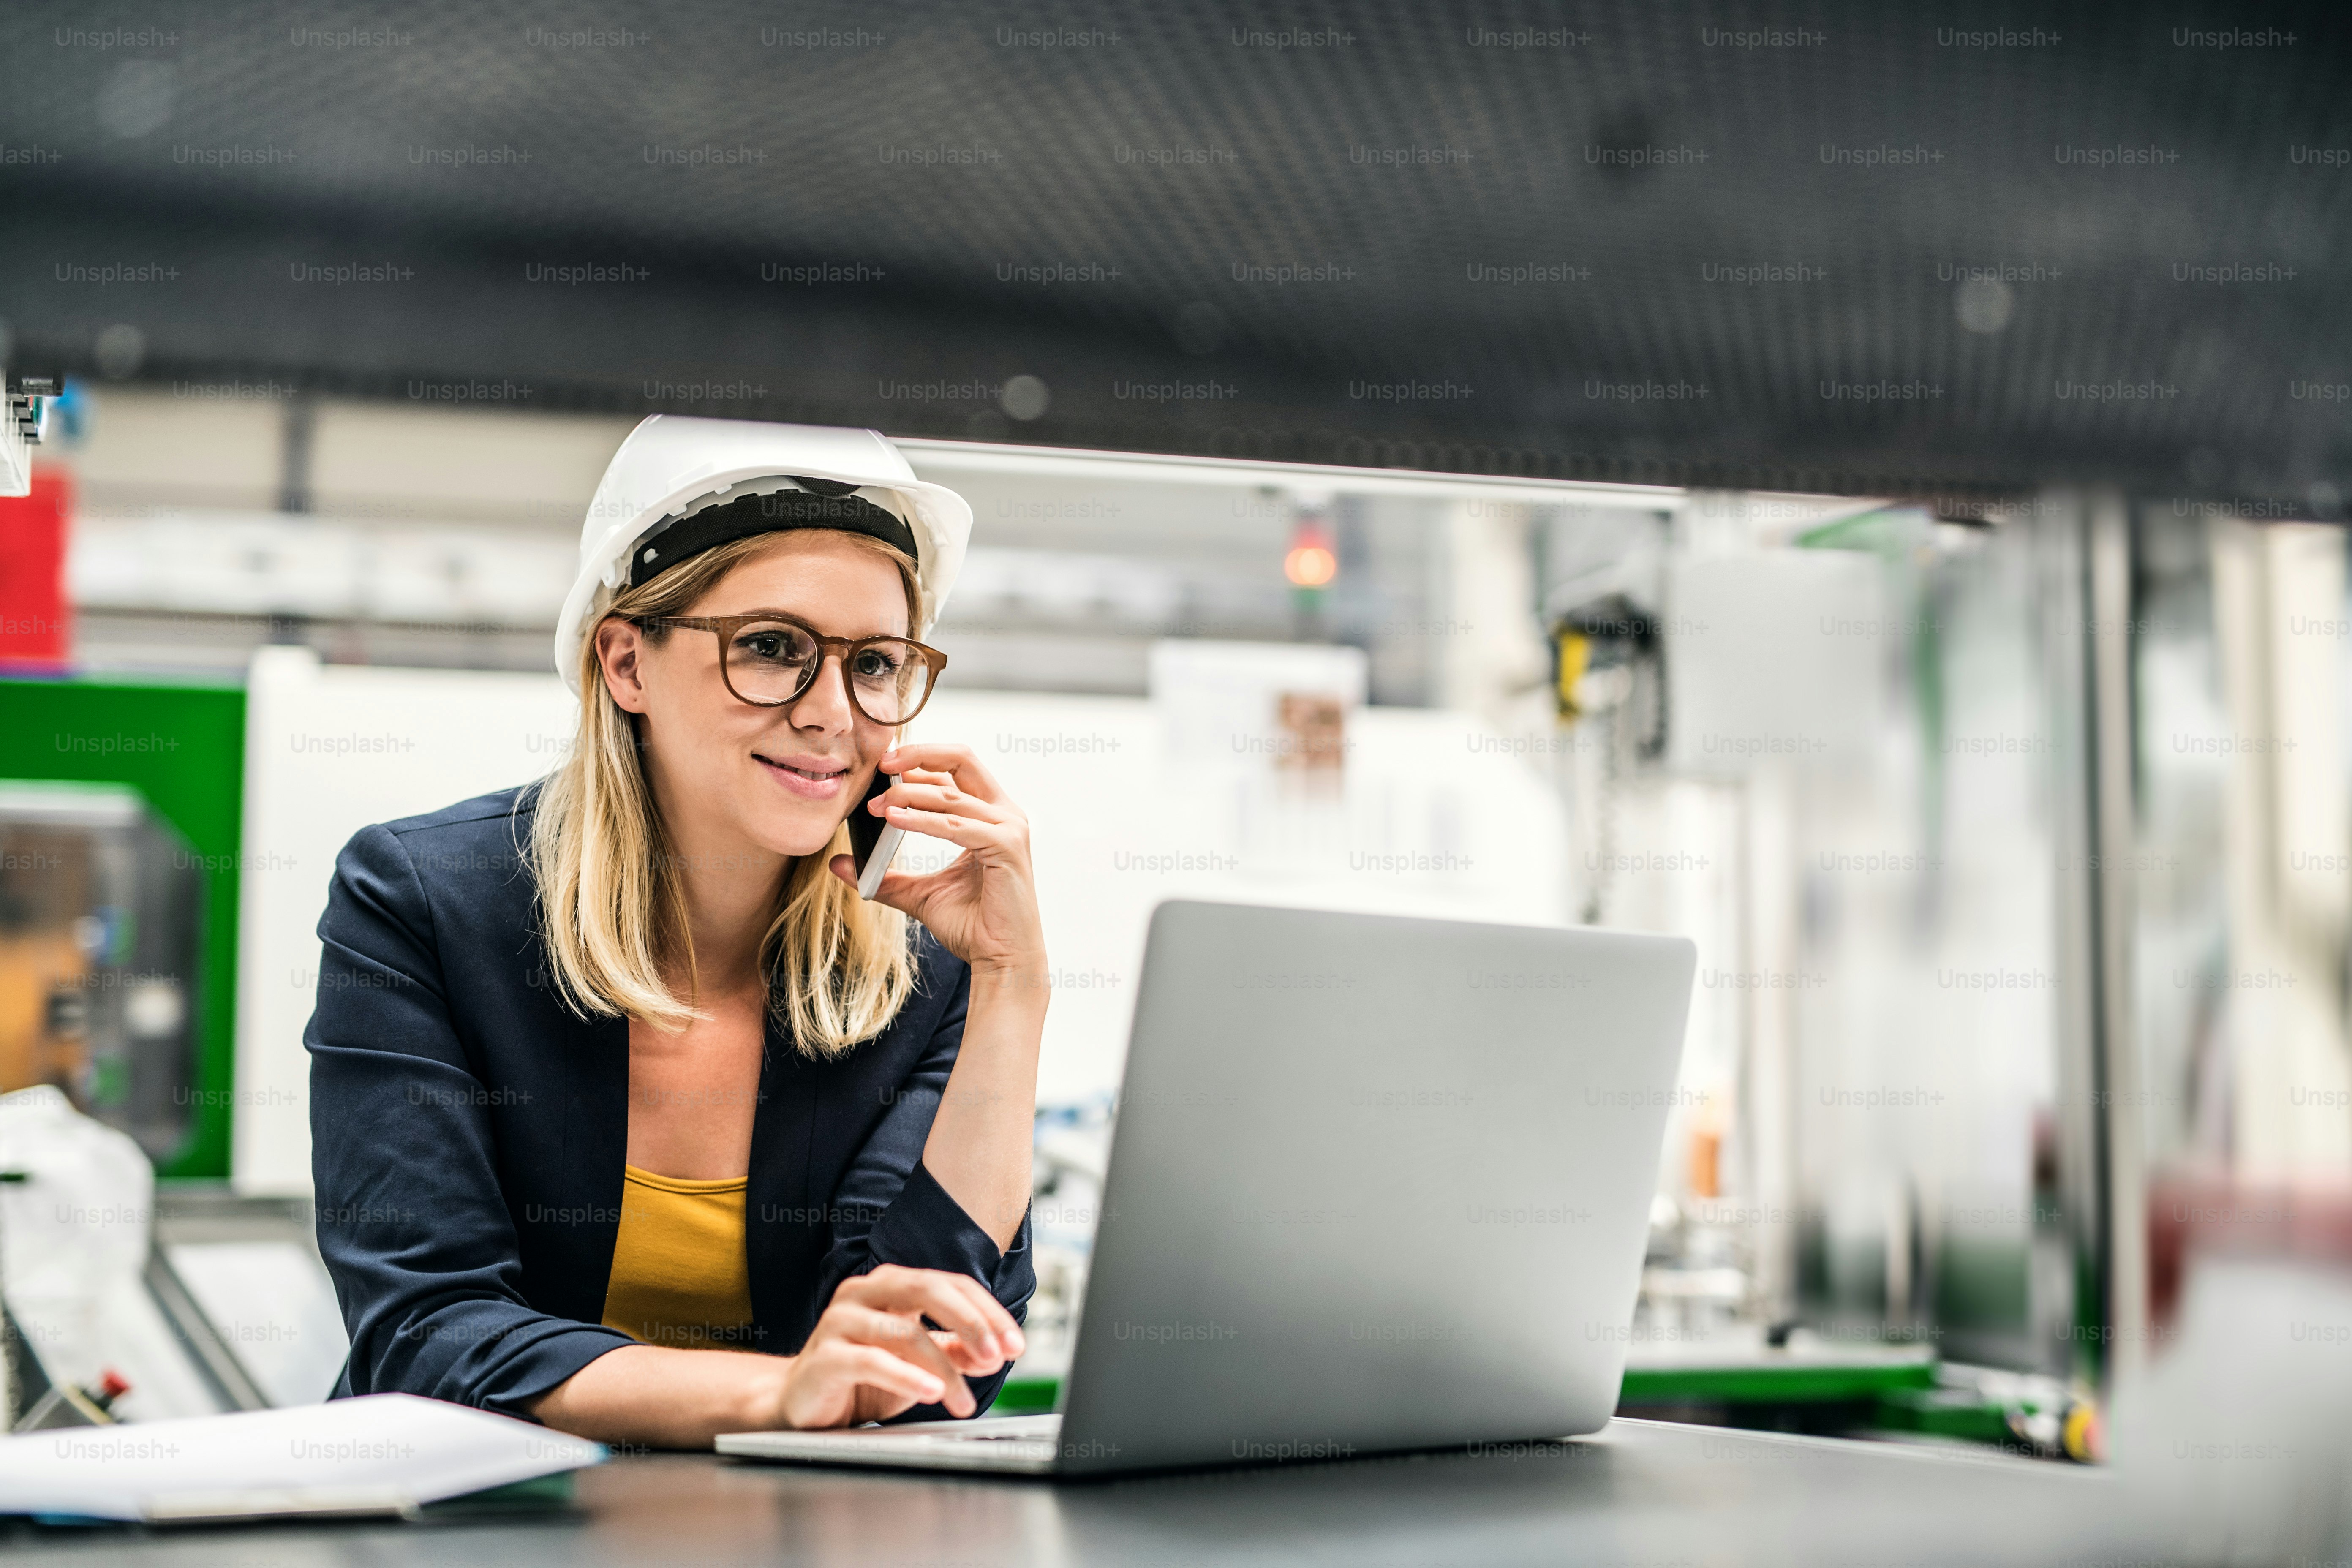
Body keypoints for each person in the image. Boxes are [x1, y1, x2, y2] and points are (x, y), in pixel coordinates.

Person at [308, 417, 1045, 1448]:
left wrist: (1014, 983)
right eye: (773, 648)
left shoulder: (921, 968)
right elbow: (428, 1334)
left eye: (875, 662)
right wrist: (771, 1396)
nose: (833, 712)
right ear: (626, 662)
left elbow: (925, 1352)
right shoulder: (425, 904)